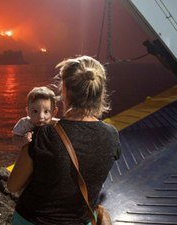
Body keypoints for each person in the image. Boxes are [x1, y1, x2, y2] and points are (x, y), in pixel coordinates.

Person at [7, 55, 121, 224]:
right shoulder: (111, 135)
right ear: (99, 92)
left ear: (65, 91)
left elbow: (13, 185)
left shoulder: (44, 135)